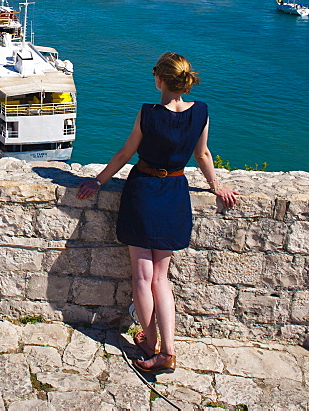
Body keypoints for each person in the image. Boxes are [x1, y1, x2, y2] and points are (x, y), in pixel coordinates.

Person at [76, 52, 238, 375]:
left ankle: (150, 345)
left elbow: (125, 153)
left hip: (143, 194)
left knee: (142, 276)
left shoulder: (148, 114)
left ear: (159, 80)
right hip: (175, 195)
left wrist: (98, 180)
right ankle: (170, 352)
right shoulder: (201, 112)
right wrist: (216, 185)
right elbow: (202, 154)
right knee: (161, 279)